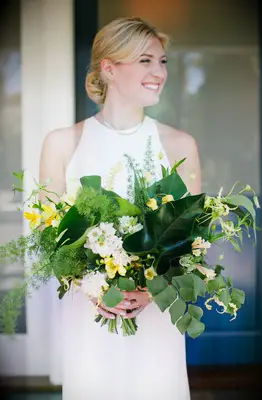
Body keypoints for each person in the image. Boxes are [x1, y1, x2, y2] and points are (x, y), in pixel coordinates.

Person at [39, 16, 201, 400]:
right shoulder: (62, 143)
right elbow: (49, 238)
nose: (158, 72)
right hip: (90, 315)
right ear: (109, 68)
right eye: (145, 61)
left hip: (157, 313)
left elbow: (189, 240)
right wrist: (92, 286)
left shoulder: (180, 145)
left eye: (162, 62)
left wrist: (150, 291)